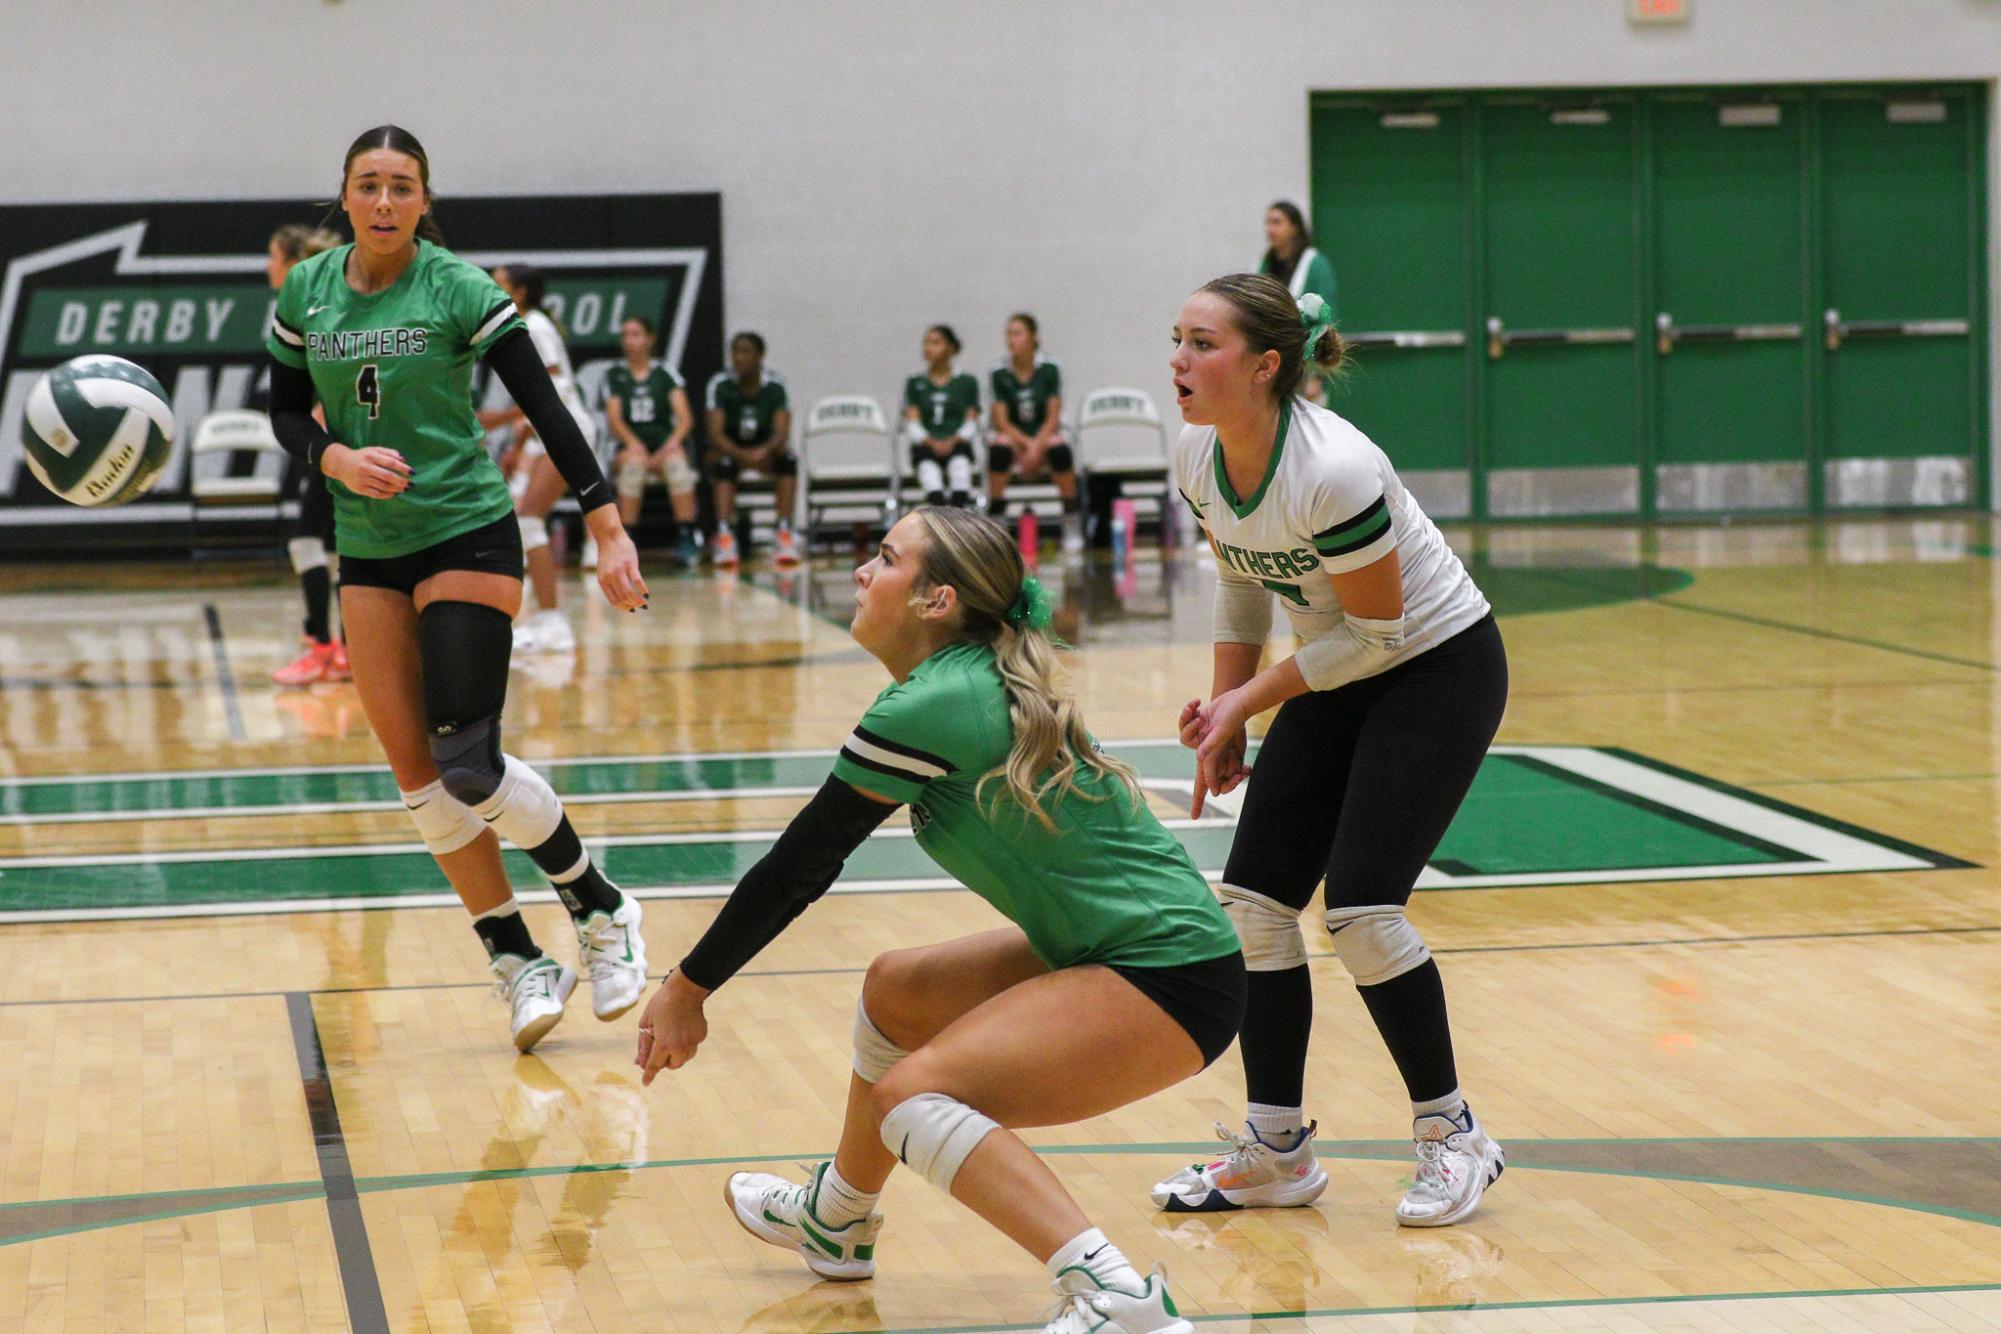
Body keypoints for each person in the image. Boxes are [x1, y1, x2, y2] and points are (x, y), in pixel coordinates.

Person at [635, 506, 1244, 1334]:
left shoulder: (932, 704)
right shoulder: (955, 681)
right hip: (1127, 951)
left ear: (936, 601)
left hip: (1171, 976)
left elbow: (802, 863)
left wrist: (687, 985)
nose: (860, 571)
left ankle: (1117, 1298)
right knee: (895, 991)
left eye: (884, 558)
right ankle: (837, 1219)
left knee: (908, 1099)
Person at [265, 124, 652, 1050]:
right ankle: (517, 959)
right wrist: (335, 456)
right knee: (417, 780)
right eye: (370, 185)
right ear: (345, 197)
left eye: (404, 186)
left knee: (467, 762)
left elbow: (547, 407)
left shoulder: (458, 286)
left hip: (466, 533)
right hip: (369, 546)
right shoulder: (305, 292)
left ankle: (601, 909)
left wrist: (606, 527)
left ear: (425, 200)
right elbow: (282, 410)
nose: (387, 201)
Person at [1155, 273, 1507, 1226]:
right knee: (1256, 909)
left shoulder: (1335, 467)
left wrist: (1250, 702)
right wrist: (1230, 707)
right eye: (1176, 340)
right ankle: (1276, 1149)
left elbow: (1380, 637)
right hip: (1333, 663)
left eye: (1201, 344)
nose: (1178, 362)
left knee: (1359, 910)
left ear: (1265, 366)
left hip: (1431, 667)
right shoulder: (1198, 456)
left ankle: (1453, 1135)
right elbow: (1241, 587)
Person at [477, 264, 597, 653]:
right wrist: (520, 444)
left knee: (529, 521)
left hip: (567, 430)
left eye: (499, 285)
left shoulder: (536, 326)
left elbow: (553, 389)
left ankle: (553, 622)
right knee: (524, 519)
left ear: (521, 292)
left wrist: (515, 429)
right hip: (549, 433)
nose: (491, 290)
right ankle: (542, 619)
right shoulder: (528, 324)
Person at [264, 223, 350, 686]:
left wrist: (321, 410)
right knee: (338, 546)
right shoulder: (325, 298)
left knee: (309, 540)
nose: (267, 267)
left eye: (273, 257)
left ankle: (323, 646)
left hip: (338, 441)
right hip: (334, 437)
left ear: (294, 262)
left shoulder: (314, 302)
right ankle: (343, 649)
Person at [602, 315, 701, 568]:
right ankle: (627, 540)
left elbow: (685, 418)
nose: (629, 341)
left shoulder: (665, 373)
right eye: (625, 335)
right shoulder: (615, 375)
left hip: (663, 445)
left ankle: (687, 536)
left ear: (650, 338)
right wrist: (635, 444)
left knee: (678, 464)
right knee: (633, 466)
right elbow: (615, 421)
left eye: (635, 334)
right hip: (630, 448)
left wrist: (670, 444)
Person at [703, 331, 801, 570]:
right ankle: (725, 536)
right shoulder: (720, 384)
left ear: (760, 356)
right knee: (722, 463)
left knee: (788, 459)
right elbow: (715, 434)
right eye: (735, 351)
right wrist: (743, 454)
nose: (738, 358)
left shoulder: (776, 385)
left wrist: (762, 451)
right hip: (732, 449)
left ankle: (784, 531)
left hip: (765, 451)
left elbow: (781, 432)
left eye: (745, 352)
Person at [987, 313, 1082, 555]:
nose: (1011, 339)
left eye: (1017, 333)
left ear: (1033, 337)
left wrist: (1036, 447)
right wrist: (1026, 446)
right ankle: (997, 520)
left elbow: (1053, 417)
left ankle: (1071, 521)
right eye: (1008, 333)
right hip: (1015, 438)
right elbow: (1000, 420)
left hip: (1043, 435)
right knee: (999, 447)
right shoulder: (998, 372)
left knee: (1060, 448)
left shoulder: (1050, 368)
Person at [1258, 202, 1339, 404]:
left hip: (1305, 370)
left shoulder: (1315, 264)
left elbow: (1325, 319)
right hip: (1273, 369)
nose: (1270, 229)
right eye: (1268, 222)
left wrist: (1319, 376)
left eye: (1277, 222)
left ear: (1294, 227)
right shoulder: (1266, 265)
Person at [903, 325, 981, 509]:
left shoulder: (966, 382)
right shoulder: (915, 382)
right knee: (929, 472)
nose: (928, 348)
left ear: (950, 348)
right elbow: (912, 421)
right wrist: (931, 441)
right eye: (926, 343)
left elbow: (972, 421)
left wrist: (953, 440)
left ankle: (959, 518)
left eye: (935, 342)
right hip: (927, 445)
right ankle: (939, 518)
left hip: (957, 443)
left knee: (960, 468)